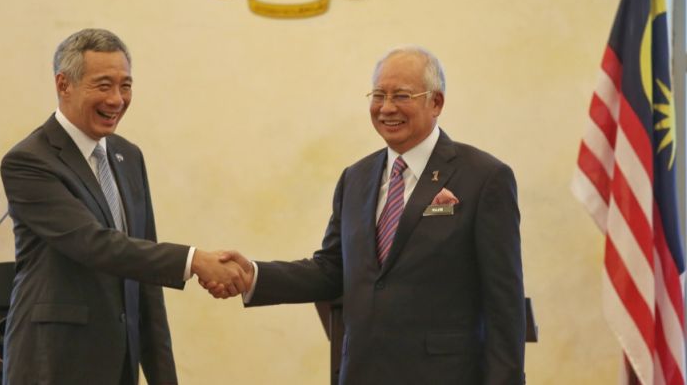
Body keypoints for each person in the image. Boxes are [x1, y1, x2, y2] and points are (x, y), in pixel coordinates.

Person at [209, 46, 525, 384]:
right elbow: (331, 270)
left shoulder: (484, 177)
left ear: (436, 103)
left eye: (401, 95)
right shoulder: (355, 178)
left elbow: (504, 303)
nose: (387, 108)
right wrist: (252, 275)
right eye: (378, 95)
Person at [0, 28, 247, 385]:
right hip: (53, 364)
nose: (117, 99)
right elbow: (95, 244)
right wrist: (194, 261)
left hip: (119, 367)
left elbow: (146, 279)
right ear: (63, 85)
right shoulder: (29, 161)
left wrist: (164, 378)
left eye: (125, 86)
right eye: (103, 85)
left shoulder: (127, 156)